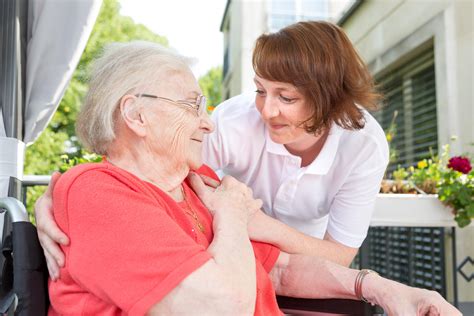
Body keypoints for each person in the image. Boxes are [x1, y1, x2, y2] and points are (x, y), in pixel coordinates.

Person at [45, 40, 459, 316]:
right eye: (193, 106)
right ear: (136, 115)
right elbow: (222, 306)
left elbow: (279, 269)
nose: (209, 124)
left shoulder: (195, 181)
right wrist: (231, 214)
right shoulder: (104, 193)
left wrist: (382, 288)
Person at [36, 21, 388, 274]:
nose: (267, 110)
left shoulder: (364, 147)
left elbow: (339, 255)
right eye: (261, 90)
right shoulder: (236, 121)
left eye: (287, 97)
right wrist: (59, 198)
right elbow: (138, 162)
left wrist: (261, 226)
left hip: (306, 263)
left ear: (331, 98)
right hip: (236, 256)